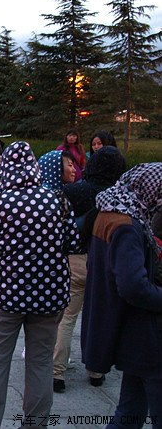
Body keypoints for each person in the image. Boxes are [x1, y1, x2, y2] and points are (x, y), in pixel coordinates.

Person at [0, 142, 80, 429]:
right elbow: (74, 243)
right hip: (50, 295)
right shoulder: (58, 200)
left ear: (6, 168)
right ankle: (35, 424)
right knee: (41, 362)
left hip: (7, 294)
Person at [81, 163, 162, 428]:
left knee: (129, 413)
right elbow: (132, 285)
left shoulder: (111, 212)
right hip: (145, 334)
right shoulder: (127, 225)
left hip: (132, 333)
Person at [52, 146, 126, 393]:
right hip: (106, 261)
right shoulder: (119, 195)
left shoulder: (73, 191)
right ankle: (96, 370)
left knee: (67, 317)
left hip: (75, 260)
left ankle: (57, 372)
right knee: (99, 316)